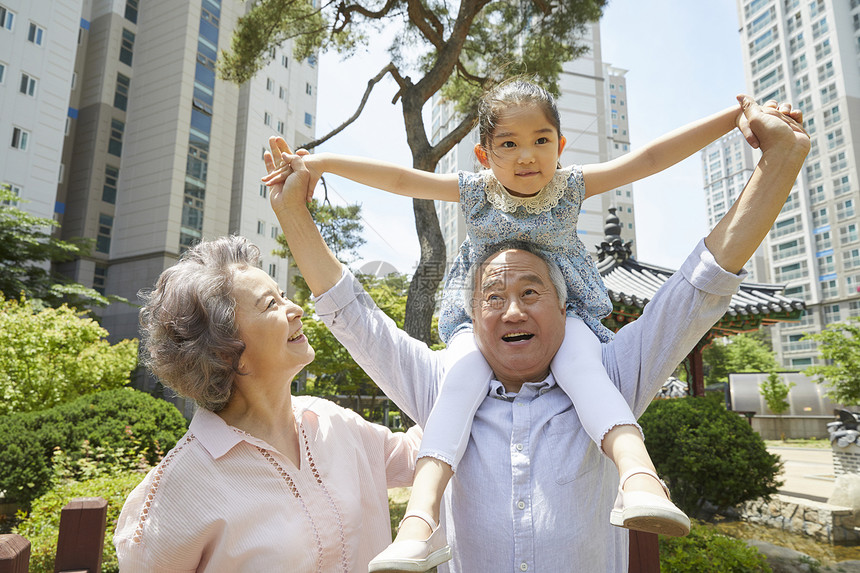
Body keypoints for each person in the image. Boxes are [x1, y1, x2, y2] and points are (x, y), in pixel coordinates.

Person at [266, 93, 808, 572]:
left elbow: (693, 270)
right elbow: (356, 298)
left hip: (584, 345)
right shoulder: (441, 377)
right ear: (485, 153)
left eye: (531, 294)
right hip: (461, 362)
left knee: (582, 365)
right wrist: (317, 171)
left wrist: (749, 128)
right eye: (493, 298)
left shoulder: (611, 371)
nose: (513, 312)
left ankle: (639, 476)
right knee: (458, 378)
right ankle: (419, 520)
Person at [112, 235, 423, 572]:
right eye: (271, 304)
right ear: (225, 352)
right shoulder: (179, 489)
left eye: (283, 295)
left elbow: (421, 453)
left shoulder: (333, 421)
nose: (297, 309)